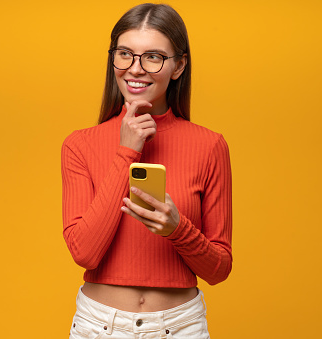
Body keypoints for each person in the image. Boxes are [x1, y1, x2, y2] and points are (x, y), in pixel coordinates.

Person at [61, 3, 232, 339]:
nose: (135, 69)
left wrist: (177, 228)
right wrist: (127, 150)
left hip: (181, 327)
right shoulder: (79, 145)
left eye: (153, 57)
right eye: (125, 54)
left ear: (179, 65)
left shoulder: (210, 146)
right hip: (99, 326)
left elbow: (219, 269)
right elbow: (84, 252)